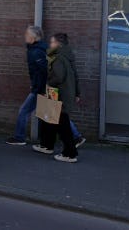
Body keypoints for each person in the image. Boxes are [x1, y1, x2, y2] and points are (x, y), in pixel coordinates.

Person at [6, 26, 85, 147]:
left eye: (27, 34)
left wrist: (41, 88)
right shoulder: (40, 48)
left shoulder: (37, 51)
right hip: (44, 88)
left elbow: (45, 72)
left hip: (41, 88)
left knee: (26, 111)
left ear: (33, 37)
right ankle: (75, 137)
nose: (25, 36)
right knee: (56, 114)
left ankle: (19, 137)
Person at [32, 33, 80, 163]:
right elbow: (75, 76)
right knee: (50, 120)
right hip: (64, 93)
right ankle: (47, 145)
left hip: (58, 95)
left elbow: (58, 77)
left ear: (59, 44)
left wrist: (47, 85)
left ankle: (70, 153)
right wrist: (77, 93)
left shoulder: (57, 57)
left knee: (62, 124)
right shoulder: (68, 56)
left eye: (52, 42)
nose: (50, 45)